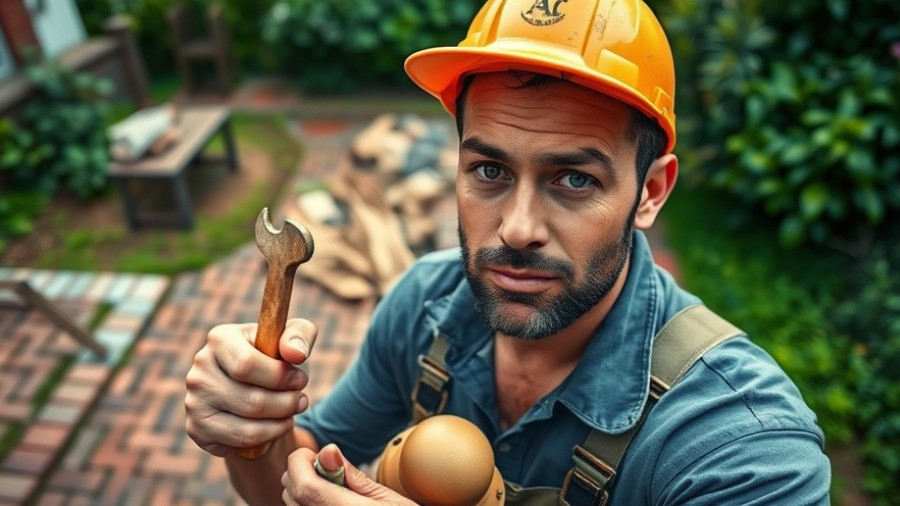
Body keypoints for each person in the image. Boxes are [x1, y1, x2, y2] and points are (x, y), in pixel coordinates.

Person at [185, 0, 832, 504]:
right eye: (490, 170)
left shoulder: (743, 449)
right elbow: (284, 485)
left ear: (651, 192)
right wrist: (255, 434)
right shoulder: (424, 307)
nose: (517, 229)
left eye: (574, 179)